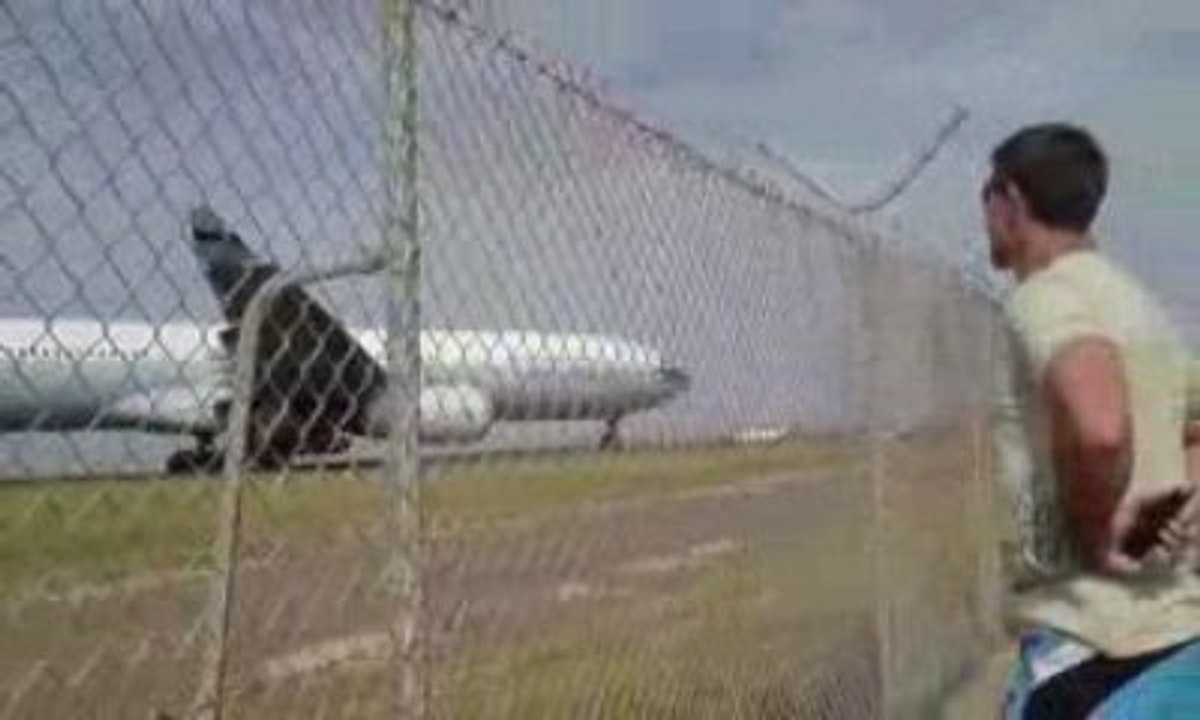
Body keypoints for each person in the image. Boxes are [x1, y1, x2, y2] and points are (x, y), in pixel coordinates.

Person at [984, 122, 1200, 718]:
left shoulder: (1045, 297)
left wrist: (1100, 532)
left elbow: (1101, 428)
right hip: (1175, 639)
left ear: (1011, 201)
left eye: (987, 197)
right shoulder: (1140, 306)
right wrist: (1165, 516)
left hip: (1088, 651)